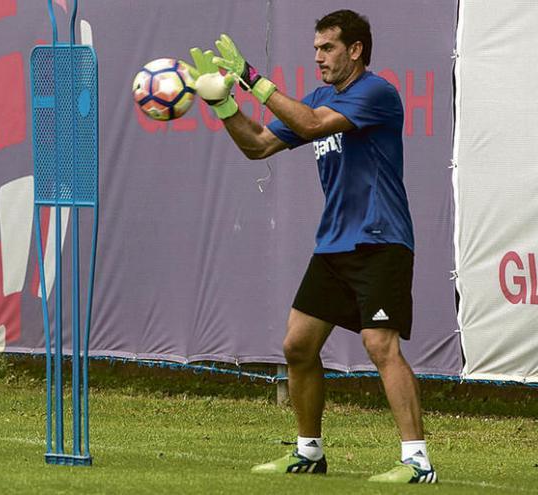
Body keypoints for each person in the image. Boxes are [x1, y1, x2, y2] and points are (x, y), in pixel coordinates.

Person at [182, 9, 437, 484]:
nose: (318, 56)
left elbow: (314, 125)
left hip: (380, 240)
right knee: (297, 346)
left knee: (380, 345)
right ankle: (309, 452)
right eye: (316, 48)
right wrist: (223, 106)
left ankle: (417, 461)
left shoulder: (376, 93)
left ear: (355, 50)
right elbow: (258, 145)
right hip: (335, 244)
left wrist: (252, 80)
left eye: (327, 48)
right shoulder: (321, 96)